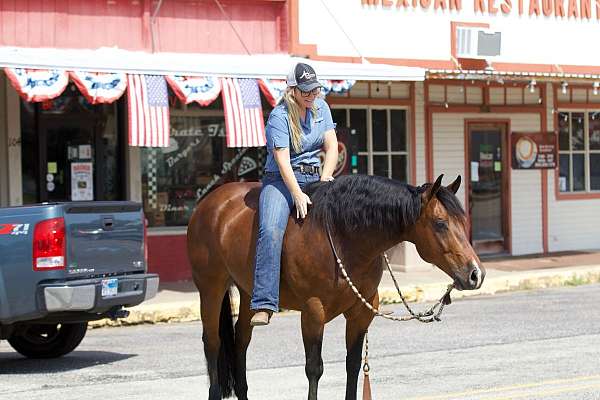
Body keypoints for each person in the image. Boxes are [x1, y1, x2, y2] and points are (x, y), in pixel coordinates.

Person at [250, 63, 338, 326]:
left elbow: (331, 145)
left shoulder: (322, 107)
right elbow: (282, 159)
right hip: (281, 180)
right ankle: (264, 302)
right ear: (293, 90)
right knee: (271, 229)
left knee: (345, 220)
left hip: (316, 176)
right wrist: (296, 193)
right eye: (306, 91)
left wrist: (325, 179)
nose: (312, 95)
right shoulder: (279, 116)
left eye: (315, 89)